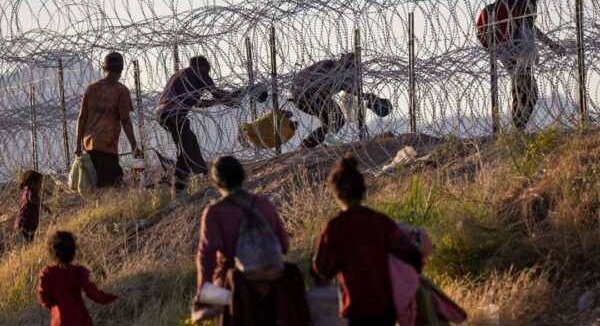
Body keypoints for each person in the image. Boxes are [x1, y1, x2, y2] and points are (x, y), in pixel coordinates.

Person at [311, 153, 423, 326]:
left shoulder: (335, 227)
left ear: (336, 193)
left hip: (356, 309)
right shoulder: (381, 221)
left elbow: (322, 269)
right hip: (385, 308)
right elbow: (412, 256)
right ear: (363, 190)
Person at [195, 156, 290, 325]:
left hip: (233, 293)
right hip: (270, 291)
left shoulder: (214, 213)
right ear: (242, 176)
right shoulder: (264, 205)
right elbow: (284, 246)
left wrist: (204, 293)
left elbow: (207, 256)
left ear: (216, 182)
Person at [155, 56, 240, 193]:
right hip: (174, 113)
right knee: (185, 149)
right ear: (205, 68)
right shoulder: (199, 71)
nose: (207, 76)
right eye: (208, 72)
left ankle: (202, 175)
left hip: (163, 113)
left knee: (190, 142)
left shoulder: (181, 75)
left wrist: (224, 100)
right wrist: (232, 97)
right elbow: (215, 92)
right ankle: (179, 187)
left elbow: (198, 103)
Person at [493, 0, 566, 130]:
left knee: (528, 92)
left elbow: (531, 28)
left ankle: (519, 130)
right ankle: (518, 130)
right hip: (508, 50)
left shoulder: (531, 3)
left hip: (523, 54)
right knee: (525, 90)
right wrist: (508, 63)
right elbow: (496, 28)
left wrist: (551, 44)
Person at [74, 52, 143, 188]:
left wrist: (77, 144)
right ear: (122, 70)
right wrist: (134, 146)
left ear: (103, 68)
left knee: (95, 187)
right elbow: (125, 120)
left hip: (88, 146)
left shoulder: (91, 88)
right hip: (107, 147)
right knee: (112, 186)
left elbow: (82, 117)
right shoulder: (121, 91)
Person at [290, 53, 377, 148]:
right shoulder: (337, 70)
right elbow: (350, 88)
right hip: (310, 94)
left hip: (298, 95)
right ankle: (322, 144)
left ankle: (310, 144)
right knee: (337, 120)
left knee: (332, 121)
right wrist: (368, 96)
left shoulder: (329, 65)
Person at [38, 230, 118, 326]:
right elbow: (92, 293)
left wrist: (54, 304)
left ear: (51, 252)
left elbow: (44, 299)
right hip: (80, 320)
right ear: (73, 250)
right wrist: (111, 298)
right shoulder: (79, 271)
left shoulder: (47, 273)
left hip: (59, 322)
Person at [14, 170, 51, 242]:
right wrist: (43, 206)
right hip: (26, 224)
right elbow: (32, 198)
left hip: (24, 223)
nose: (41, 186)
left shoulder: (26, 191)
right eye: (40, 183)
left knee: (27, 242)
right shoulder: (31, 192)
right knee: (28, 242)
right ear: (32, 183)